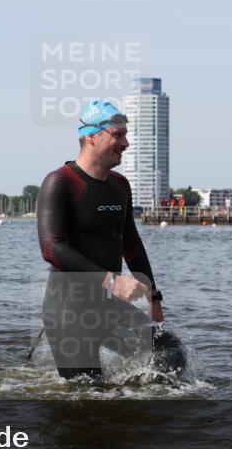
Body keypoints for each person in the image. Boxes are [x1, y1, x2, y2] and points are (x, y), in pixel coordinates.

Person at [36, 100, 172, 380]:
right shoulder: (60, 181)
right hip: (68, 309)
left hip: (105, 305)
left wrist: (153, 295)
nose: (126, 143)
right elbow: (51, 248)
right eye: (118, 135)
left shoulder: (119, 185)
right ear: (91, 137)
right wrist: (111, 281)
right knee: (88, 396)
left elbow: (131, 244)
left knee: (168, 353)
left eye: (125, 135)